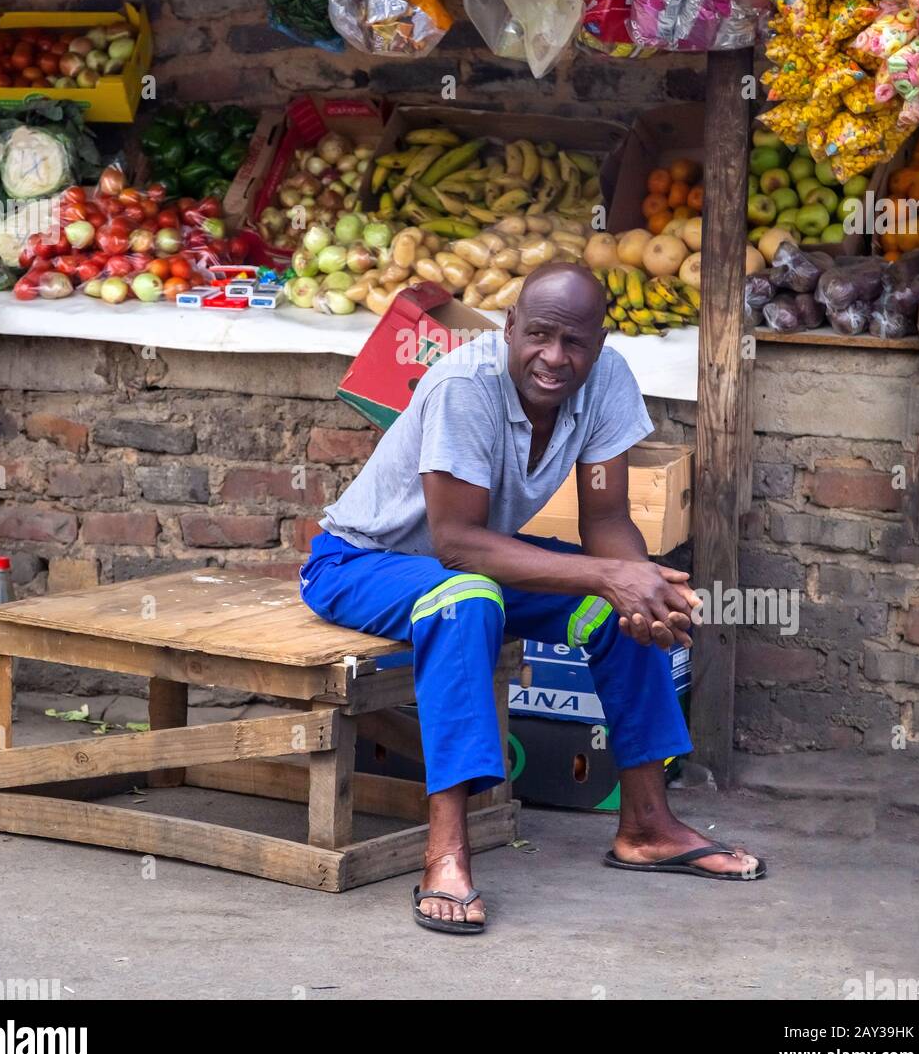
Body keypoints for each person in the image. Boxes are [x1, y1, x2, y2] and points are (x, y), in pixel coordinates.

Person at [300, 263, 765, 934]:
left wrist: (639, 585)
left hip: (474, 562)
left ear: (599, 344)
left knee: (615, 605)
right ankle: (447, 849)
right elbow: (456, 543)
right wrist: (612, 575)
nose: (554, 357)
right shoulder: (467, 386)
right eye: (539, 335)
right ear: (509, 327)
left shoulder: (605, 382)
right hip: (360, 564)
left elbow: (604, 520)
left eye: (574, 343)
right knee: (469, 598)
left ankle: (645, 824)